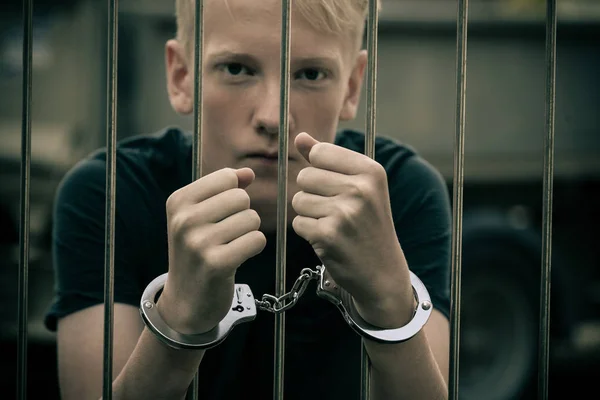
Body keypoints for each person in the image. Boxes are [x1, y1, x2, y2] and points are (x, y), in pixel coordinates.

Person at [44, 0, 452, 399]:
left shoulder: (398, 194)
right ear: (181, 75)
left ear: (351, 86)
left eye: (310, 73)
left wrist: (389, 303)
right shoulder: (110, 192)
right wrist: (179, 321)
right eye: (237, 68)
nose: (273, 117)